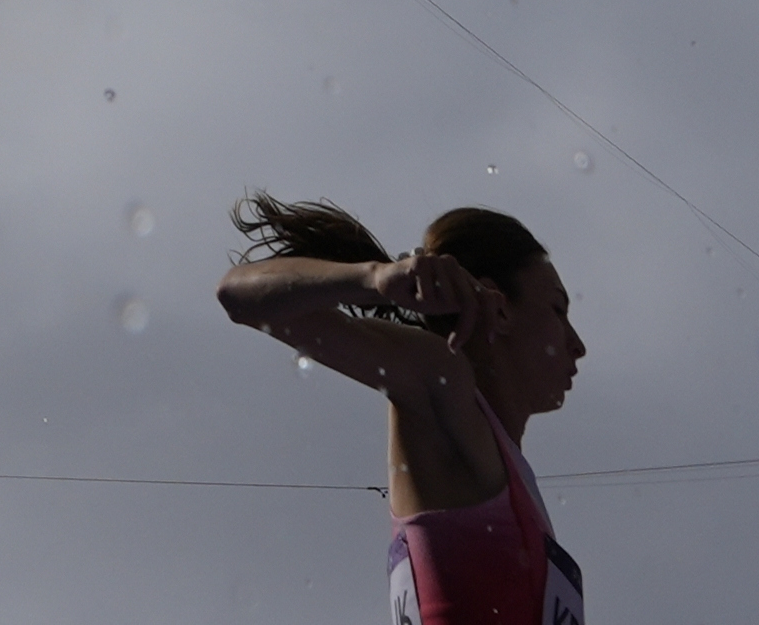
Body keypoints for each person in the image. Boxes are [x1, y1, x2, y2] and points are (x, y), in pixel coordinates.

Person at [215, 193, 587, 621]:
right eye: (558, 310)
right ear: (499, 311)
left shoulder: (511, 474)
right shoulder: (442, 385)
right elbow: (236, 294)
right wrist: (373, 280)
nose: (577, 345)